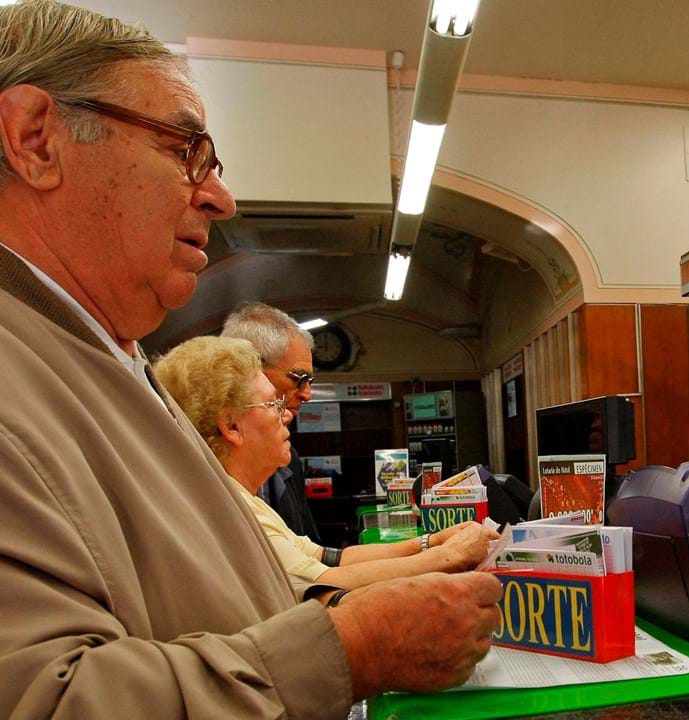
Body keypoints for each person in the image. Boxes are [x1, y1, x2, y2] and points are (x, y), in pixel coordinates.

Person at [0, 2, 499, 716]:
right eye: (184, 151)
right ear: (36, 139)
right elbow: (46, 699)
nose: (220, 197)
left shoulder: (105, 354)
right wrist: (351, 649)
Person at [155, 335, 499, 588]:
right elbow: (327, 583)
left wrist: (433, 542)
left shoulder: (243, 498)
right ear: (231, 426)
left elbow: (326, 557)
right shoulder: (228, 510)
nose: (286, 416)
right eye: (272, 405)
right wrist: (449, 557)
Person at [221, 301, 321, 542]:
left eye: (311, 381)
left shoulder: (290, 460)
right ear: (250, 368)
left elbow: (312, 553)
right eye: (299, 378)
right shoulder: (198, 467)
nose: (308, 394)